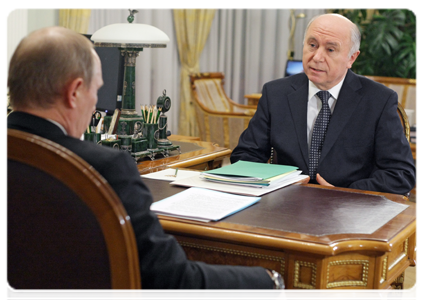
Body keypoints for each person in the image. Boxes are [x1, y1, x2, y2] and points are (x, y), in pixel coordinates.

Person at [6, 27, 286, 300]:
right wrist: (266, 282)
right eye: (96, 92)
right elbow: (170, 283)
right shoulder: (105, 169)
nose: (95, 105)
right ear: (75, 92)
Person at [231, 14, 416, 195]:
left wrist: (344, 194)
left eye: (330, 50)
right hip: (286, 204)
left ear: (351, 58)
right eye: (312, 45)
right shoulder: (276, 93)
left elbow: (400, 174)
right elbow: (246, 156)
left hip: (349, 211)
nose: (317, 57)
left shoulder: (378, 100)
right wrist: (275, 184)